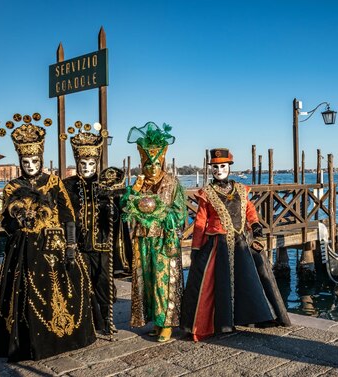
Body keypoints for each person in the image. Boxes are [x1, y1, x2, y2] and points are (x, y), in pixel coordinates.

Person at [0, 114, 95, 361]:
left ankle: (60, 339)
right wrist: (18, 221)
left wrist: (70, 245)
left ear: (41, 158)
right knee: (25, 294)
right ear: (20, 161)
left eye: (35, 161)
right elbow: (5, 220)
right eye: (26, 161)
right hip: (24, 249)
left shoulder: (54, 182)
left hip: (53, 245)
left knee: (62, 290)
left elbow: (68, 214)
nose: (31, 166)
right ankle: (30, 343)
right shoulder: (13, 186)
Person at [181, 148, 290, 342]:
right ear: (211, 169)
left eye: (222, 166)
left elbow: (249, 210)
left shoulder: (241, 189)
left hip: (241, 242)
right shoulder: (207, 193)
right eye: (215, 167)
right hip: (218, 244)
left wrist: (255, 224)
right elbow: (200, 222)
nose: (219, 170)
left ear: (229, 167)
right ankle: (221, 323)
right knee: (216, 284)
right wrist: (196, 248)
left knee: (250, 279)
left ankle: (259, 316)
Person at [121, 122, 186, 343]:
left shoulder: (172, 183)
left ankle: (166, 323)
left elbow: (179, 212)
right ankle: (154, 321)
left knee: (163, 281)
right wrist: (135, 192)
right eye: (147, 164)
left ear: (163, 161)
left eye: (156, 163)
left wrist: (160, 214)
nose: (152, 168)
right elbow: (125, 206)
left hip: (163, 240)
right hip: (142, 239)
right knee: (146, 281)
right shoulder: (140, 184)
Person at [63, 121, 128, 337]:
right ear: (77, 162)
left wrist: (114, 205)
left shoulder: (106, 183)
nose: (87, 169)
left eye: (91, 164)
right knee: (82, 283)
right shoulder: (69, 185)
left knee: (104, 283)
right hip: (80, 243)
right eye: (83, 164)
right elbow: (66, 215)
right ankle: (89, 321)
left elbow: (121, 211)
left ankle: (107, 319)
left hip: (102, 243)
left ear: (96, 162)